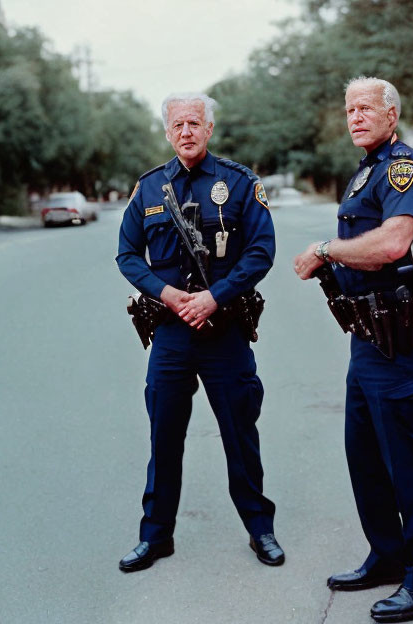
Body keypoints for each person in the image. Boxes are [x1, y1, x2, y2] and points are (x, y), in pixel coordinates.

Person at [293, 77, 413, 622]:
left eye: (366, 108)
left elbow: (391, 244)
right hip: (368, 336)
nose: (356, 117)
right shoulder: (367, 170)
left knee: (409, 462)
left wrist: (323, 249)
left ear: (392, 114)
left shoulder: (406, 167)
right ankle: (389, 557)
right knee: (365, 457)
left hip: (402, 337)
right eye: (349, 109)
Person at [115, 92, 283, 572]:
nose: (186, 131)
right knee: (164, 437)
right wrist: (168, 295)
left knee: (239, 434)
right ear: (167, 132)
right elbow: (127, 254)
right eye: (178, 124)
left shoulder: (239, 183)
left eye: (195, 122)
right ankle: (155, 537)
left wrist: (216, 296)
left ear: (209, 129)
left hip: (224, 331)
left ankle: (260, 530)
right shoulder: (148, 189)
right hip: (171, 335)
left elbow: (261, 251)